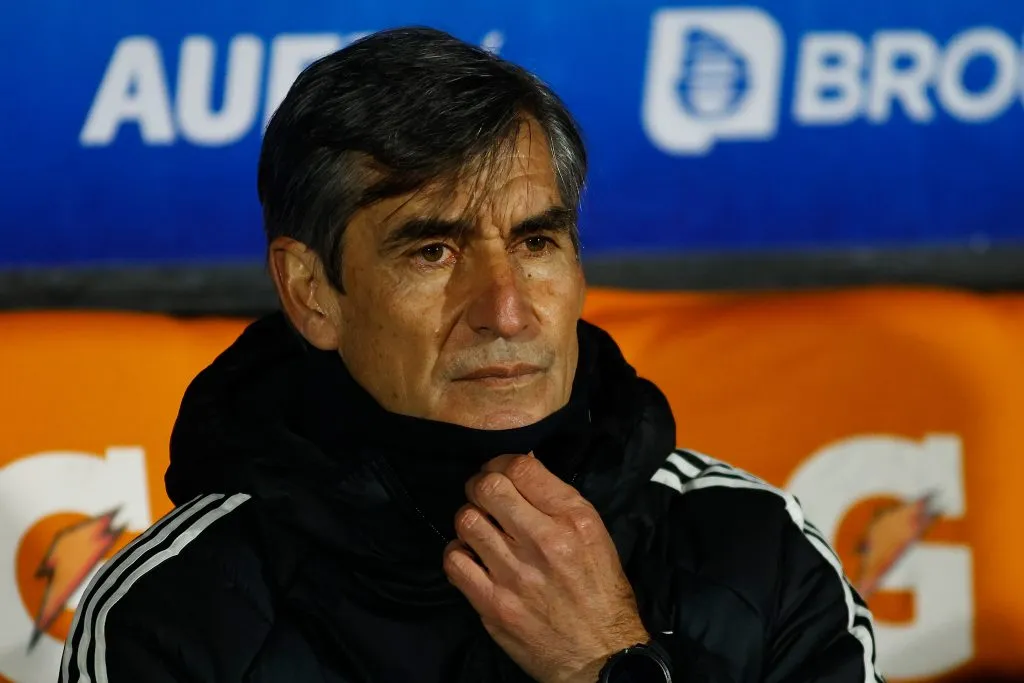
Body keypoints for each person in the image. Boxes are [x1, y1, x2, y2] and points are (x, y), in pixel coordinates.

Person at [59, 27, 883, 683]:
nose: (506, 310)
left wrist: (607, 665)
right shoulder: (170, 608)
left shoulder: (755, 548)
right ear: (313, 292)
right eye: (433, 252)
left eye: (535, 240)